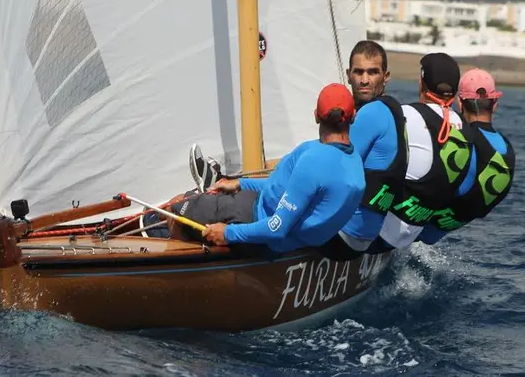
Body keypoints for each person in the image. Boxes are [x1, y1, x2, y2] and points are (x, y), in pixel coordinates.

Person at [166, 83, 366, 254]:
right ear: (354, 116)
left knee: (174, 206)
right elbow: (280, 188)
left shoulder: (314, 160)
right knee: (195, 199)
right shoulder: (354, 162)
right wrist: (240, 183)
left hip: (254, 221)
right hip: (264, 212)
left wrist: (227, 233)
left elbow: (276, 227)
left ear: (316, 116)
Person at [367, 52, 473, 253]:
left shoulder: (405, 115)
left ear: (421, 84)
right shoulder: (464, 129)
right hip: (411, 233)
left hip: (379, 230)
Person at [320, 41, 408, 257]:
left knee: (253, 207)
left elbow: (329, 171)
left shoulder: (371, 114)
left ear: (385, 76)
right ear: (349, 74)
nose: (365, 80)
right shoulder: (393, 109)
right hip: (367, 232)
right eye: (359, 72)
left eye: (373, 72)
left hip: (343, 237)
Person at [417, 68, 516, 244]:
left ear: (460, 103)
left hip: (412, 223)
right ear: (494, 103)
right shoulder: (507, 150)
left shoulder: (458, 137)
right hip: (441, 228)